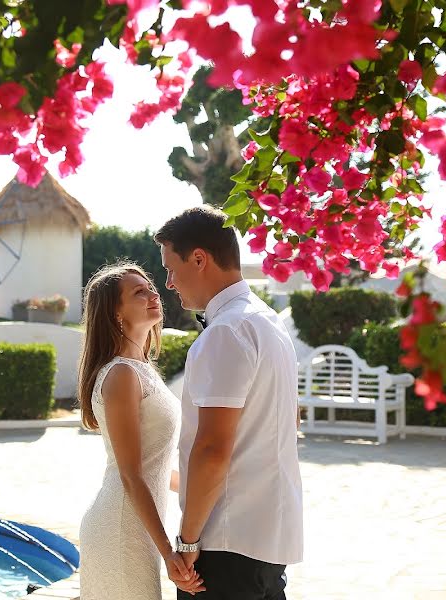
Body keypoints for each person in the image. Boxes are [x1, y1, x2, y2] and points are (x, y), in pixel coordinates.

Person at [155, 206, 303, 599]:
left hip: (225, 547)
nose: (169, 282)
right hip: (268, 539)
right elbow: (293, 422)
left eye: (171, 267)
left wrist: (186, 543)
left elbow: (212, 449)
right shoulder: (269, 323)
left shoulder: (226, 332)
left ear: (199, 259)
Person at [78, 261, 203, 599]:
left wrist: (208, 487)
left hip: (137, 526)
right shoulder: (121, 375)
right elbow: (132, 475)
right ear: (116, 314)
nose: (153, 294)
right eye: (138, 292)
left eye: (149, 287)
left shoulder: (141, 369)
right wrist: (169, 553)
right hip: (121, 527)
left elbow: (155, 466)